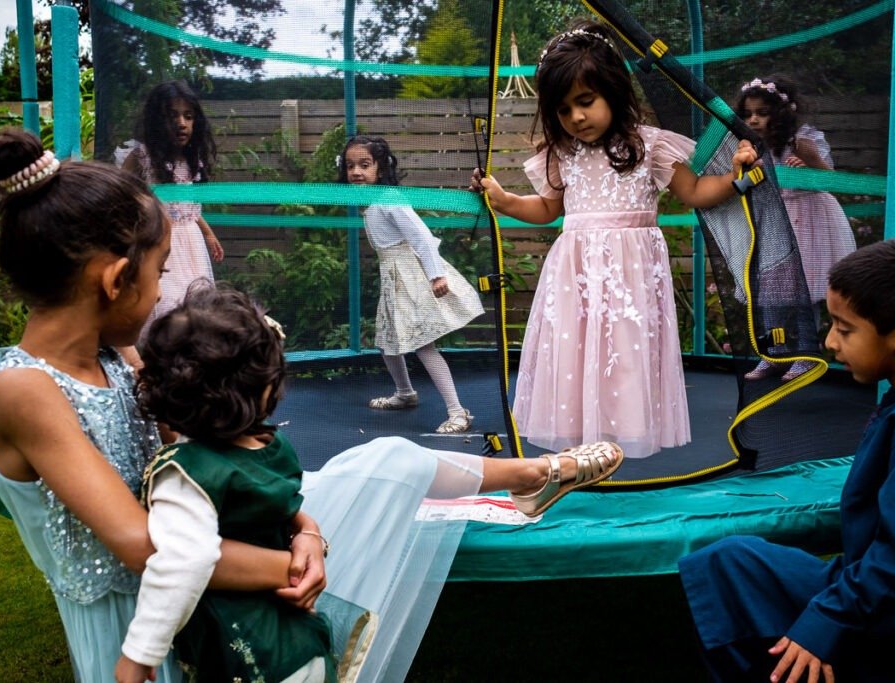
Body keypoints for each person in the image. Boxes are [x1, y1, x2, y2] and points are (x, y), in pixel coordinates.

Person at [115, 282, 624, 682]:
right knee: (393, 461)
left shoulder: (217, 461)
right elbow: (188, 558)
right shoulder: (234, 458)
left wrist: (308, 528)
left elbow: (223, 533)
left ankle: (532, 475)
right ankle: (535, 474)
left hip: (268, 630)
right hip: (270, 630)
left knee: (392, 458)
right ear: (265, 390)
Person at [0, 129, 336, 682]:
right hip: (130, 629)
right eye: (160, 272)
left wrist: (302, 526)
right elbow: (145, 546)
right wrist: (286, 564)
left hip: (195, 604)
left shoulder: (119, 354)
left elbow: (203, 462)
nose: (162, 291)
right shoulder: (26, 391)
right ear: (118, 279)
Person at [678, 239, 895, 683]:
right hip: (873, 586)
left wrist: (823, 624)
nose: (829, 341)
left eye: (844, 328)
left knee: (734, 576)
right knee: (732, 558)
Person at [470, 21, 757, 459]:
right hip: (577, 275)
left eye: (585, 102)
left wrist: (736, 180)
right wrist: (505, 199)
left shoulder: (651, 146)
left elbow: (696, 192)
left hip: (631, 277)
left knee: (624, 352)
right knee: (576, 350)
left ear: (614, 91)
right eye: (564, 110)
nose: (576, 117)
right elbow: (548, 209)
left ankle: (621, 439)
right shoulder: (561, 153)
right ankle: (578, 446)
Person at [340, 135, 485, 434]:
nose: (356, 172)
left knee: (423, 344)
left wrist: (436, 275)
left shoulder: (389, 199)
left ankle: (458, 412)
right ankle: (405, 393)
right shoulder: (370, 203)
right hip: (393, 276)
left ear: (380, 169)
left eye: (364, 165)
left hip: (412, 276)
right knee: (388, 340)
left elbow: (420, 236)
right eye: (350, 166)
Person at [737, 76, 857, 382]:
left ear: (780, 113)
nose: (753, 119)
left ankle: (806, 354)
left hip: (808, 219)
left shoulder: (802, 142)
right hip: (774, 221)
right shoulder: (750, 147)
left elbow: (830, 179)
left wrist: (810, 167)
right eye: (748, 113)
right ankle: (773, 355)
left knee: (804, 291)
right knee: (770, 292)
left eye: (761, 113)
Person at [123, 79, 223, 340]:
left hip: (190, 243)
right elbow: (122, 198)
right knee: (166, 304)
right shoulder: (141, 157)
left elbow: (187, 208)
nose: (182, 123)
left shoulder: (191, 160)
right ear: (157, 120)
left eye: (188, 116)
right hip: (160, 242)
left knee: (195, 306)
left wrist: (208, 233)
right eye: (173, 116)